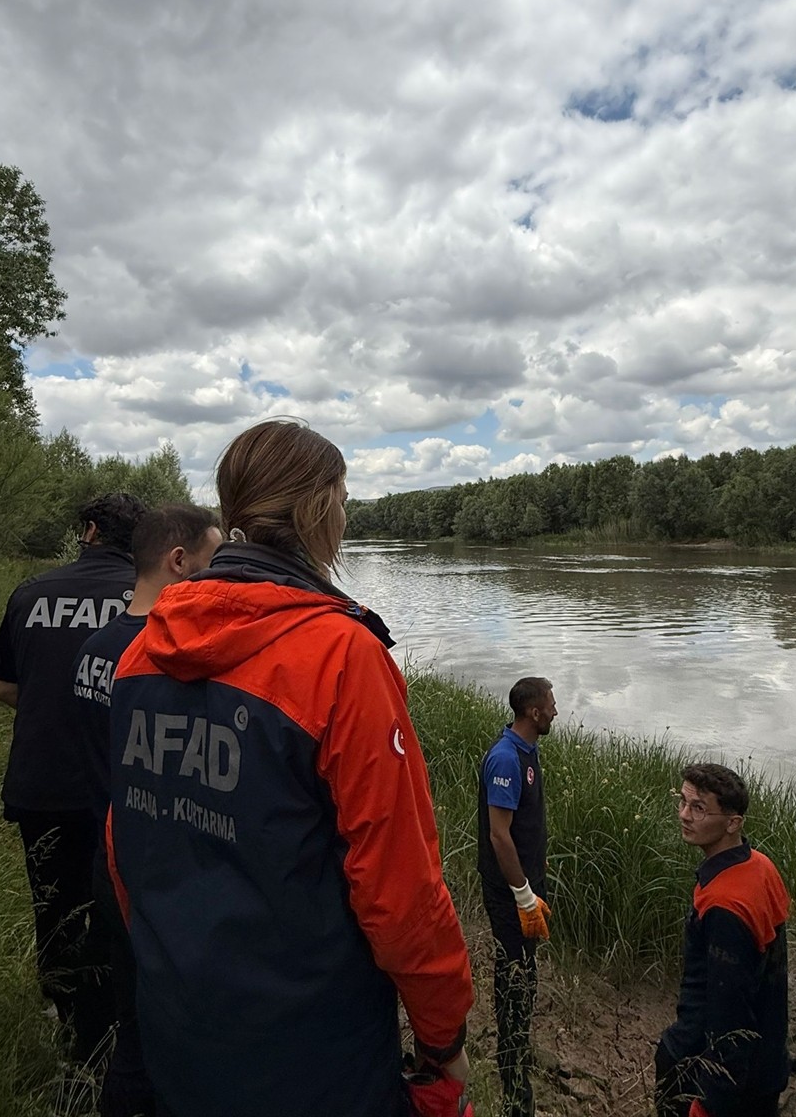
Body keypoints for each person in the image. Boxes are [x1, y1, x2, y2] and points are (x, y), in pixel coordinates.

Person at [107, 419, 474, 1117]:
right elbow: (398, 884)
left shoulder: (140, 654)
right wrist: (441, 1031)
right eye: (341, 497)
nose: (345, 513)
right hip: (312, 1047)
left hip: (177, 1019)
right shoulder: (342, 656)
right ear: (315, 511)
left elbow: (124, 841)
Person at [73, 504, 223, 1117]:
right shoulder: (162, 658)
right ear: (178, 561)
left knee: (125, 1014)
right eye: (212, 565)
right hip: (155, 870)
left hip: (106, 855)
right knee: (158, 1033)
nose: (218, 582)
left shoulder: (94, 649)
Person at [0, 492, 146, 1053]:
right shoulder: (150, 600)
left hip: (41, 783)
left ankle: (67, 1028)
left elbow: (5, 687)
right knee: (123, 908)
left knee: (53, 906)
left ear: (88, 531)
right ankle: (119, 1029)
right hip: (123, 791)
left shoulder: (30, 592)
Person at [656, 763, 790, 1117]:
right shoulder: (761, 866)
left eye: (698, 808)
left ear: (733, 822)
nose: (684, 815)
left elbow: (729, 1017)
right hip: (766, 1069)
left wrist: (708, 1103)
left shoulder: (726, 906)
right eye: (682, 802)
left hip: (706, 1071)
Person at [477, 676, 556, 1117]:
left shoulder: (528, 750)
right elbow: (499, 836)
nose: (556, 710)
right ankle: (513, 1087)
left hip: (526, 886)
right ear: (533, 712)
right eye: (551, 702)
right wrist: (524, 895)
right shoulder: (506, 758)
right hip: (510, 891)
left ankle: (519, 1047)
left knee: (525, 972)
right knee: (512, 976)